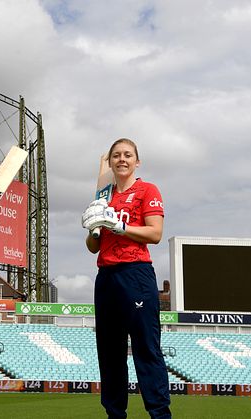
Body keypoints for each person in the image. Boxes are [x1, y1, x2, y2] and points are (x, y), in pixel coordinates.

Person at [82, 138, 171, 419]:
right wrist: (94, 226)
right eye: (116, 155)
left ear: (137, 161)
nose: (122, 159)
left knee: (146, 349)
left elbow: (154, 233)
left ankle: (159, 415)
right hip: (106, 276)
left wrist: (119, 225)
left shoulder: (146, 189)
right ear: (110, 163)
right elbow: (92, 247)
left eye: (127, 155)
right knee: (110, 355)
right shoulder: (104, 197)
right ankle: (114, 414)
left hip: (136, 274)